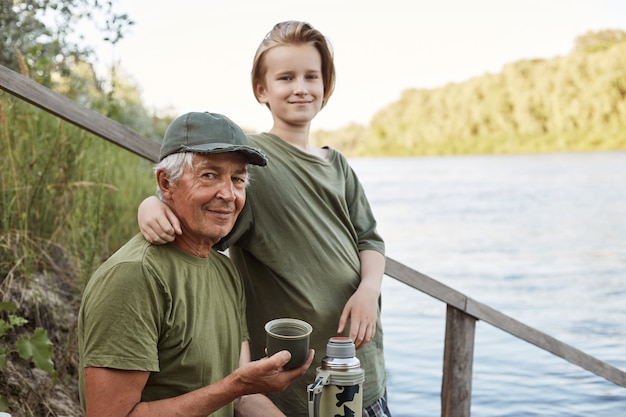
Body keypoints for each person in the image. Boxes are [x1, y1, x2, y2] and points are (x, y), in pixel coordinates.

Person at [138, 21, 391, 417]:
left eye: (312, 76)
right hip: (294, 385)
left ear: (326, 84)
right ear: (262, 89)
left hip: (361, 366)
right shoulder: (250, 160)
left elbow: (370, 240)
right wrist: (150, 206)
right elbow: (192, 203)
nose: (300, 87)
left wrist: (369, 291)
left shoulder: (338, 164)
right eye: (285, 77)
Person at [78, 111, 314, 417]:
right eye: (209, 175)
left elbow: (241, 398)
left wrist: (243, 386)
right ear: (166, 182)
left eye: (237, 179)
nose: (228, 194)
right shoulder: (134, 276)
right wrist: (236, 386)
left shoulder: (225, 270)